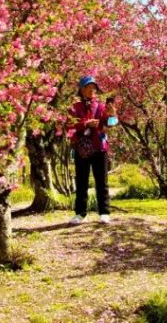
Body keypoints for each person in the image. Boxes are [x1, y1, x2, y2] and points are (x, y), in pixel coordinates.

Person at [68, 75, 111, 224]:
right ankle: (80, 213)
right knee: (81, 181)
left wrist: (113, 115)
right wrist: (86, 124)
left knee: (102, 181)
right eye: (88, 87)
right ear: (81, 89)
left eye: (94, 87)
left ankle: (104, 212)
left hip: (100, 147)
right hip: (82, 149)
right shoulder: (74, 108)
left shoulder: (101, 106)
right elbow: (69, 125)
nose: (92, 90)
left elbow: (111, 123)